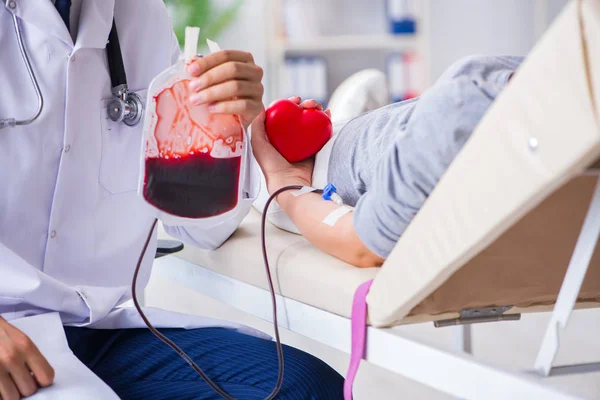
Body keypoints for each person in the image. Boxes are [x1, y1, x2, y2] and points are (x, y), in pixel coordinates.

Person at [0, 1, 343, 399]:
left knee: (306, 388)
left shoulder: (136, 13)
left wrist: (226, 128)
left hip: (97, 326)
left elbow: (199, 226)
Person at [252, 55, 523, 268]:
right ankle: (340, 124)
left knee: (252, 162)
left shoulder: (458, 114)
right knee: (372, 90)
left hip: (311, 176)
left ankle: (335, 129)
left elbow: (362, 245)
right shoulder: (522, 78)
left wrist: (285, 182)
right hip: (388, 133)